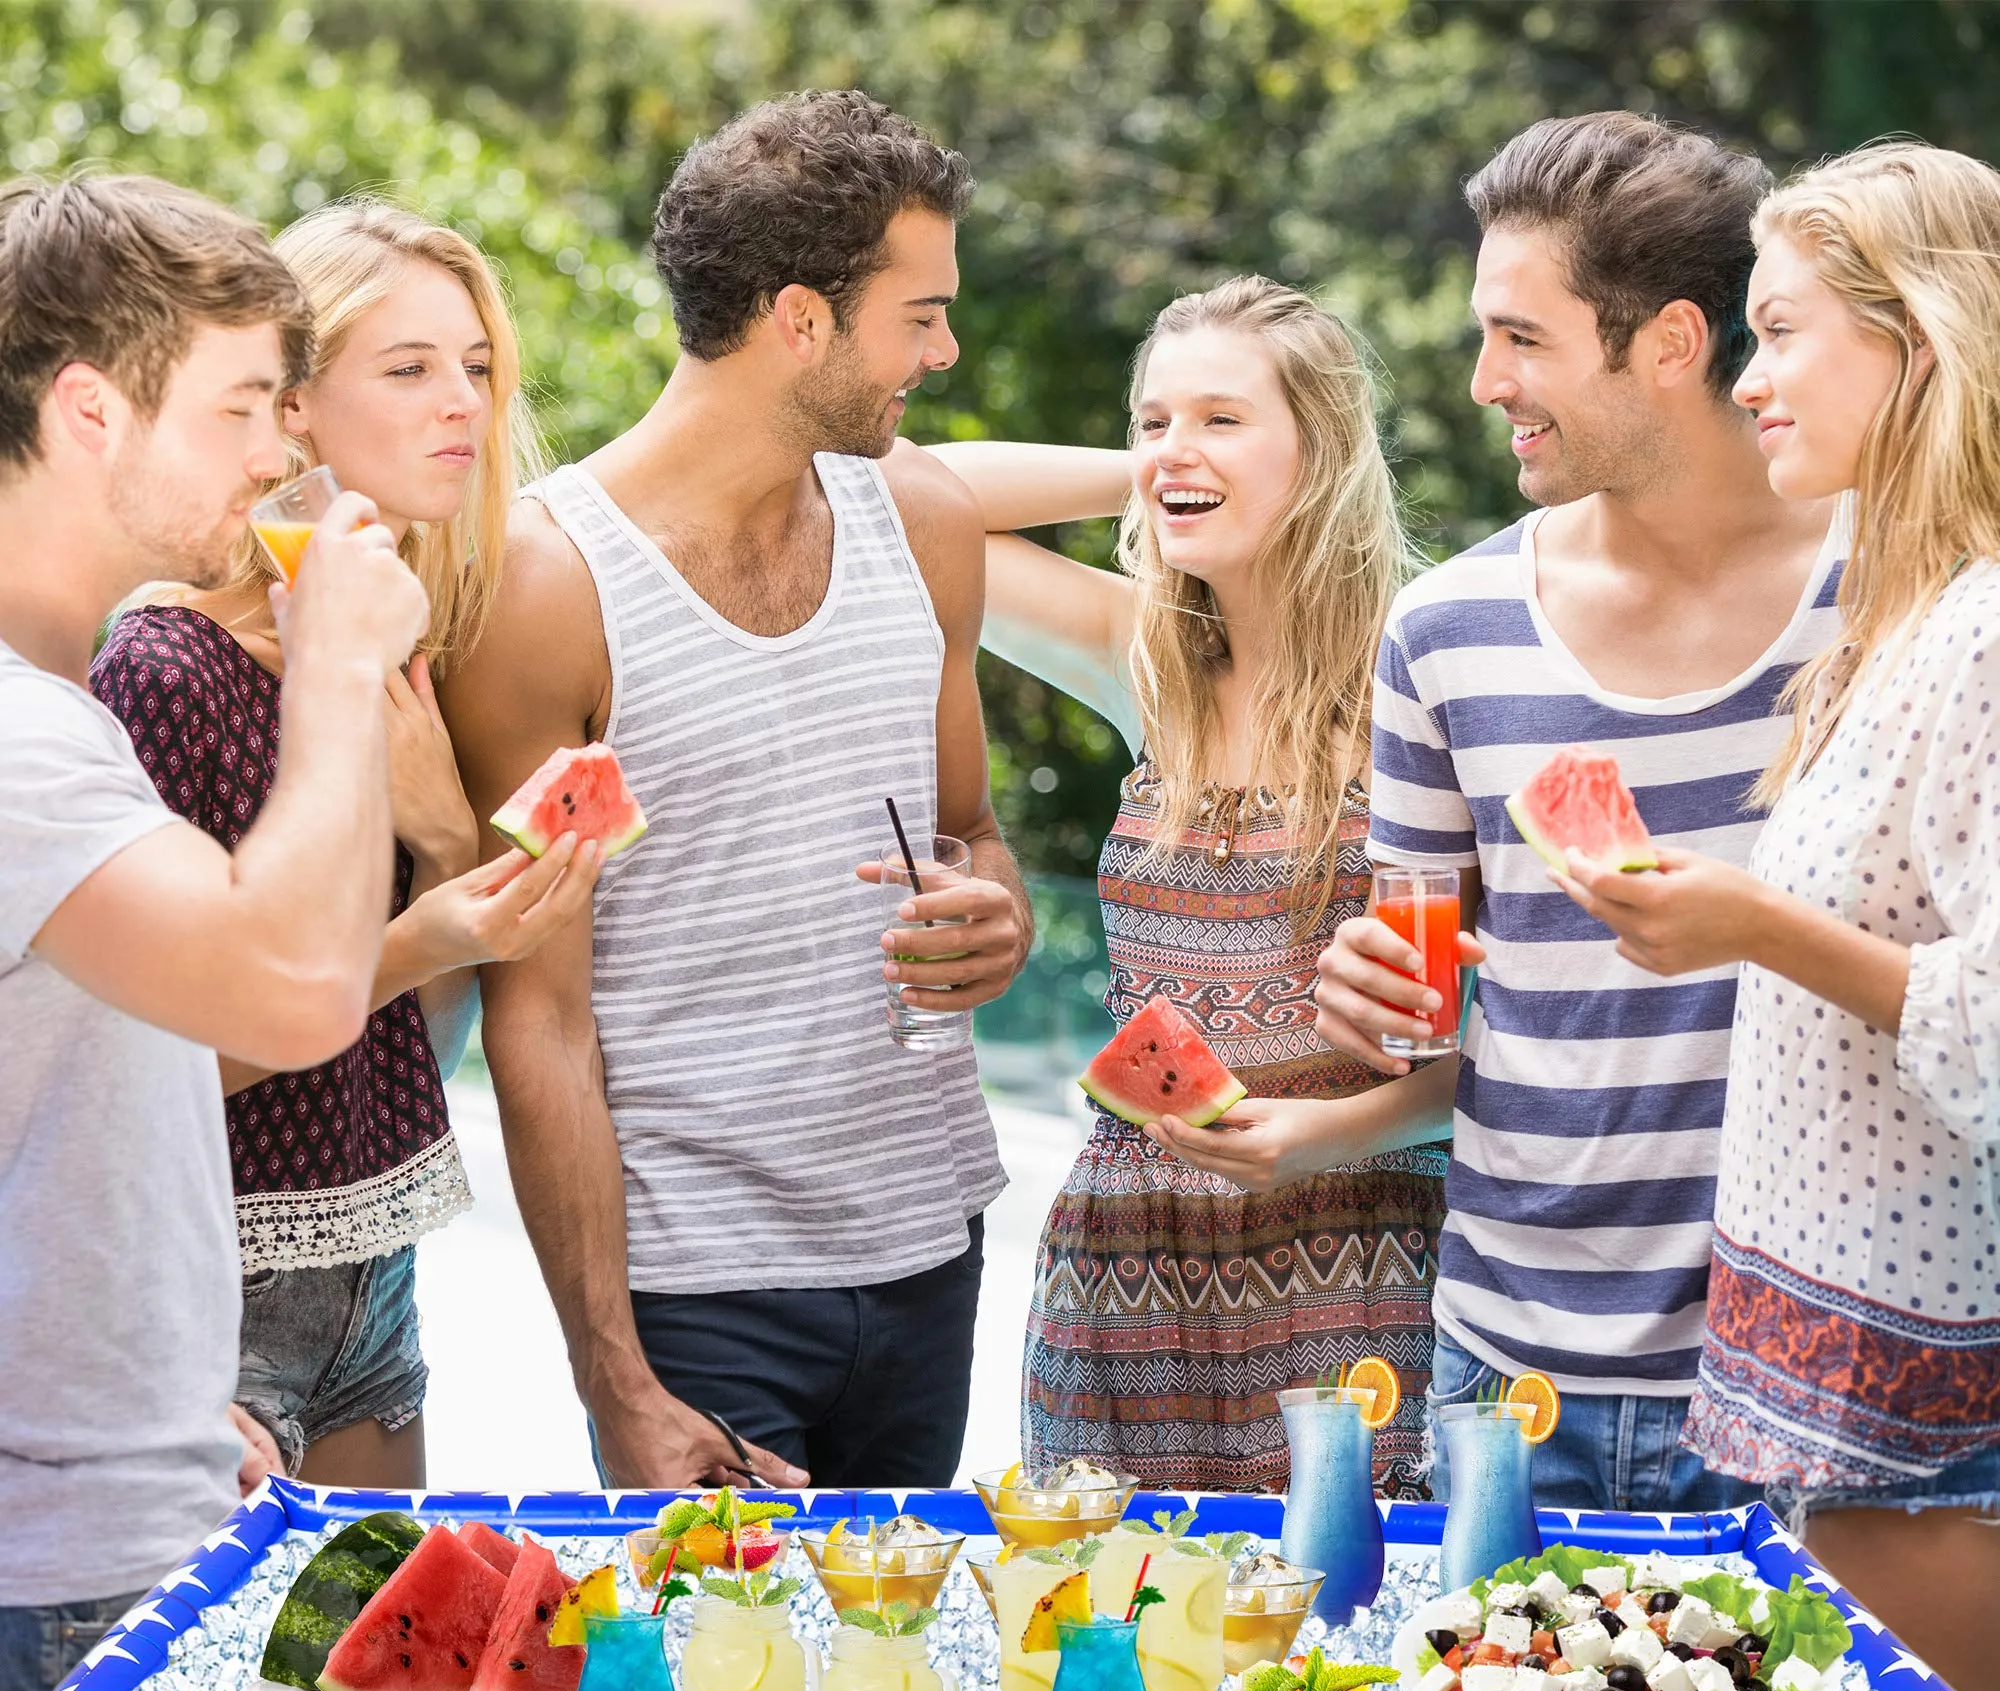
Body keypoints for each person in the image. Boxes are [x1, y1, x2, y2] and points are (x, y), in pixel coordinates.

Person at [441, 91, 1031, 1492]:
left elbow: (978, 837)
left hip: (929, 1251)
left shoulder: (930, 529)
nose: (945, 351)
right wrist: (613, 1378)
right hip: (698, 1295)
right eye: (921, 314)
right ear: (800, 319)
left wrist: (1000, 914)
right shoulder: (550, 590)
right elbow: (542, 1018)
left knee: (898, 1689)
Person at [1311, 112, 1845, 1514]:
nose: (1484, 381)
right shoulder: (1444, 630)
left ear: (1670, 344)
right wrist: (1366, 995)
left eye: (1524, 338)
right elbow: (1415, 988)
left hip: (1813, 1376)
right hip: (1507, 1380)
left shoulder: (1901, 598)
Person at [1558, 143, 2000, 1691]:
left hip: (1912, 1441)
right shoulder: (1902, 603)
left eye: (1785, 329)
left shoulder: (1986, 627)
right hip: (1839, 1395)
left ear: (1921, 341)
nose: (1749, 381)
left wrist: (1751, 921)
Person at [0, 172, 431, 1691]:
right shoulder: (21, 739)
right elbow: (296, 989)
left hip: (119, 1494)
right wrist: (334, 658)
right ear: (91, 409)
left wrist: (168, 1409)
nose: (284, 446)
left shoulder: (57, 715)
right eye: (245, 402)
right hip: (54, 1571)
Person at [90, 200, 599, 1488]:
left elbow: (407, 1051)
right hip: (218, 1292)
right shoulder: (165, 670)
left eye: (478, 367)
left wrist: (438, 850)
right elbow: (144, 1079)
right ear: (296, 410)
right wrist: (414, 929)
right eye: (412, 367)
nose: (465, 406)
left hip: (374, 1280)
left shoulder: (402, 659)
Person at [930, 278, 1449, 1494]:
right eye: (1151, 418)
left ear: (1320, 450)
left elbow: (1497, 1054)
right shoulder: (1146, 665)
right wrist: (1168, 471)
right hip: (1122, 1274)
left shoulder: (1420, 681)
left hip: (1352, 1262)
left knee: (1335, 1660)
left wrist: (1320, 1134)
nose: (1174, 445)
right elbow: (917, 498)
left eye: (1222, 416)